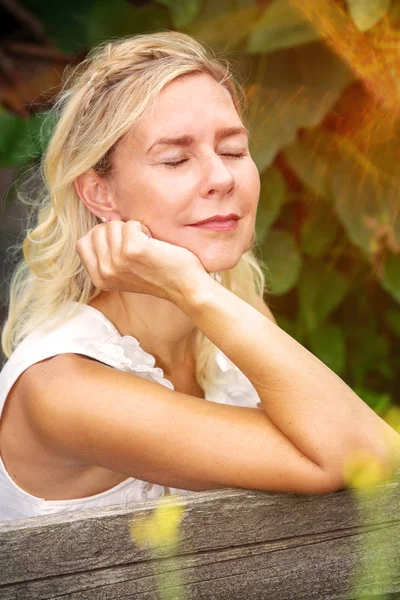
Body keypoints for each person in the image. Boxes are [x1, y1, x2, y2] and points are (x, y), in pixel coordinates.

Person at [0, 31, 399, 522]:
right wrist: (189, 288)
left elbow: (370, 452)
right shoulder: (62, 387)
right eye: (175, 158)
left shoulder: (234, 310)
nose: (222, 177)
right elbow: (366, 456)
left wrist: (199, 295)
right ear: (100, 194)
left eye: (232, 150)